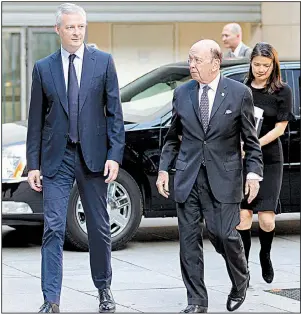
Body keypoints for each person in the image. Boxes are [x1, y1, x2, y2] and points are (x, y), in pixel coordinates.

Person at [26, 3, 125, 313]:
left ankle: (104, 289)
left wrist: (115, 155)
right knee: (53, 227)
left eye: (81, 26)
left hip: (94, 158)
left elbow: (115, 115)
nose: (76, 32)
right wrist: (33, 164)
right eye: (70, 27)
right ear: (59, 30)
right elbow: (35, 121)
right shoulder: (44, 68)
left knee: (98, 226)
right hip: (57, 159)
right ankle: (51, 299)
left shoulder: (104, 62)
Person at [156, 39, 263, 313]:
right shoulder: (182, 94)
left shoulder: (239, 94)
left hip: (224, 177)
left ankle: (241, 279)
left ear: (215, 63)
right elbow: (172, 138)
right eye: (190, 59)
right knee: (189, 242)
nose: (191, 65)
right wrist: (163, 169)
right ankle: (196, 301)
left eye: (197, 60)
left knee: (224, 235)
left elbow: (251, 141)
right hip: (188, 177)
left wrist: (253, 175)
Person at [237, 42, 294, 286]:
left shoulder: (282, 91)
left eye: (266, 65)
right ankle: (243, 267)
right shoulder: (241, 88)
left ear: (274, 66)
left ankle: (265, 255)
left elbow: (281, 128)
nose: (261, 69)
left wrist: (254, 143)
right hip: (243, 157)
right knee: (244, 216)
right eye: (257, 64)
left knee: (267, 219)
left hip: (269, 156)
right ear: (251, 63)